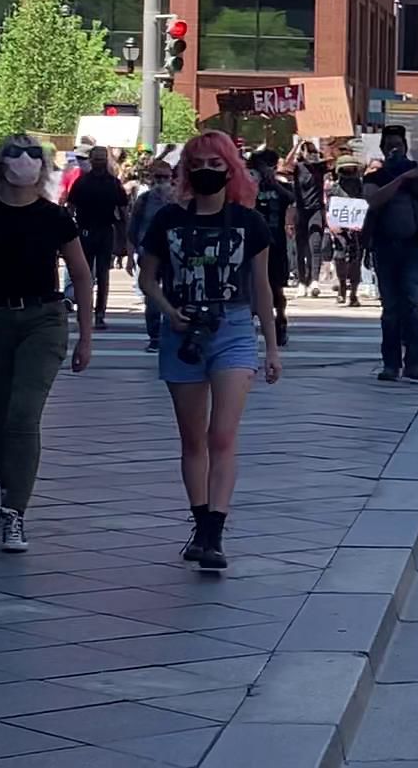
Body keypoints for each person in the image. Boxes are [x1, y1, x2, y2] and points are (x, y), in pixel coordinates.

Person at [138, 131, 283, 570]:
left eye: (215, 165)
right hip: (181, 329)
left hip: (233, 327)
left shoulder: (248, 223)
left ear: (231, 170)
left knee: (223, 434)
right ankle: (200, 524)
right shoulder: (168, 220)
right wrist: (169, 311)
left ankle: (215, 532)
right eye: (197, 163)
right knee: (192, 437)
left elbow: (262, 288)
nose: (206, 172)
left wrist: (272, 347)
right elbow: (147, 277)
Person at [0, 136, 94, 553]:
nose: (24, 163)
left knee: (22, 415)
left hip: (44, 319)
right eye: (15, 154)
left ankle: (15, 511)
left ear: (43, 168)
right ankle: (9, 487)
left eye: (33, 155)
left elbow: (81, 275)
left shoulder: (55, 217)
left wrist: (85, 336)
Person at [364, 126, 418, 382]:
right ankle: (391, 363)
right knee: (390, 308)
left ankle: (413, 361)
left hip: (416, 246)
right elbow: (372, 200)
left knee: (412, 302)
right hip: (385, 247)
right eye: (389, 145)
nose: (394, 149)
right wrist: (400, 179)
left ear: (405, 145)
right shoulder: (375, 176)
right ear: (382, 148)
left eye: (397, 144)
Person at [64, 145, 127, 329]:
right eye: (97, 158)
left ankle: (94, 313)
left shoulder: (88, 182)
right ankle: (96, 314)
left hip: (97, 230)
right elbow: (123, 212)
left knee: (92, 274)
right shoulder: (107, 183)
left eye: (101, 158)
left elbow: (70, 209)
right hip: (96, 230)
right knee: (96, 274)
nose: (99, 161)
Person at [128, 158, 177, 351]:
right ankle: (155, 335)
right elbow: (133, 229)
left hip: (174, 254)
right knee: (151, 295)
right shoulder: (144, 200)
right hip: (148, 253)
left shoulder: (179, 199)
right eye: (158, 177)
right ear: (151, 178)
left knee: (174, 294)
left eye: (165, 177)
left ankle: (171, 330)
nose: (162, 181)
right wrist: (130, 256)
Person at [249, 148, 296, 347]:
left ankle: (280, 321)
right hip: (252, 243)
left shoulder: (281, 186)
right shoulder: (249, 184)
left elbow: (291, 199)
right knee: (251, 285)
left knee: (276, 287)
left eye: (270, 165)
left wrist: (274, 182)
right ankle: (248, 323)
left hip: (275, 242)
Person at [329, 155, 367, 306]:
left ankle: (354, 293)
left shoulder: (361, 186)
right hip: (339, 228)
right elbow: (329, 208)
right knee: (339, 257)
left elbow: (366, 205)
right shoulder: (335, 188)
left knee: (356, 260)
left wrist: (362, 222)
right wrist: (332, 225)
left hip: (357, 228)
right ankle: (342, 286)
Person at [293, 144, 328, 297]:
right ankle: (302, 281)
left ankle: (314, 280)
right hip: (301, 210)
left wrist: (323, 151)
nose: (311, 155)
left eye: (313, 152)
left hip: (316, 210)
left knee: (315, 245)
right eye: (309, 152)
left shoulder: (319, 168)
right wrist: (296, 147)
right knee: (301, 248)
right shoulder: (297, 168)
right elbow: (285, 165)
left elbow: (332, 160)